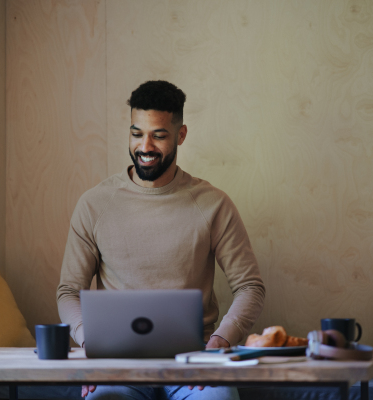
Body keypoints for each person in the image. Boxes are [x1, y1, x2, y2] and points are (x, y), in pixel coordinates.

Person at [57, 80, 266, 399]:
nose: (145, 147)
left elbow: (250, 286)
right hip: (117, 366)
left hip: (192, 365)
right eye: (137, 133)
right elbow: (69, 290)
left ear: (180, 135)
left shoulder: (212, 203)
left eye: (159, 135)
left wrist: (221, 341)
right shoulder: (94, 203)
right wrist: (89, 343)